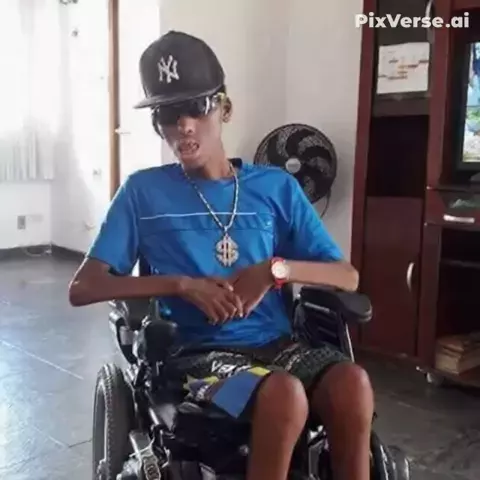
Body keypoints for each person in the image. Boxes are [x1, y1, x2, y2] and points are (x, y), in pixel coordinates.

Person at [69, 30, 374, 480]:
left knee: (352, 383)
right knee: (283, 395)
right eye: (167, 114)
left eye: (197, 107)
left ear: (225, 108)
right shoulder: (142, 192)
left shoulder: (276, 188)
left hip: (278, 347)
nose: (183, 126)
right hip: (195, 360)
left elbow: (347, 277)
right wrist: (180, 285)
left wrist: (275, 270)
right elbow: (83, 287)